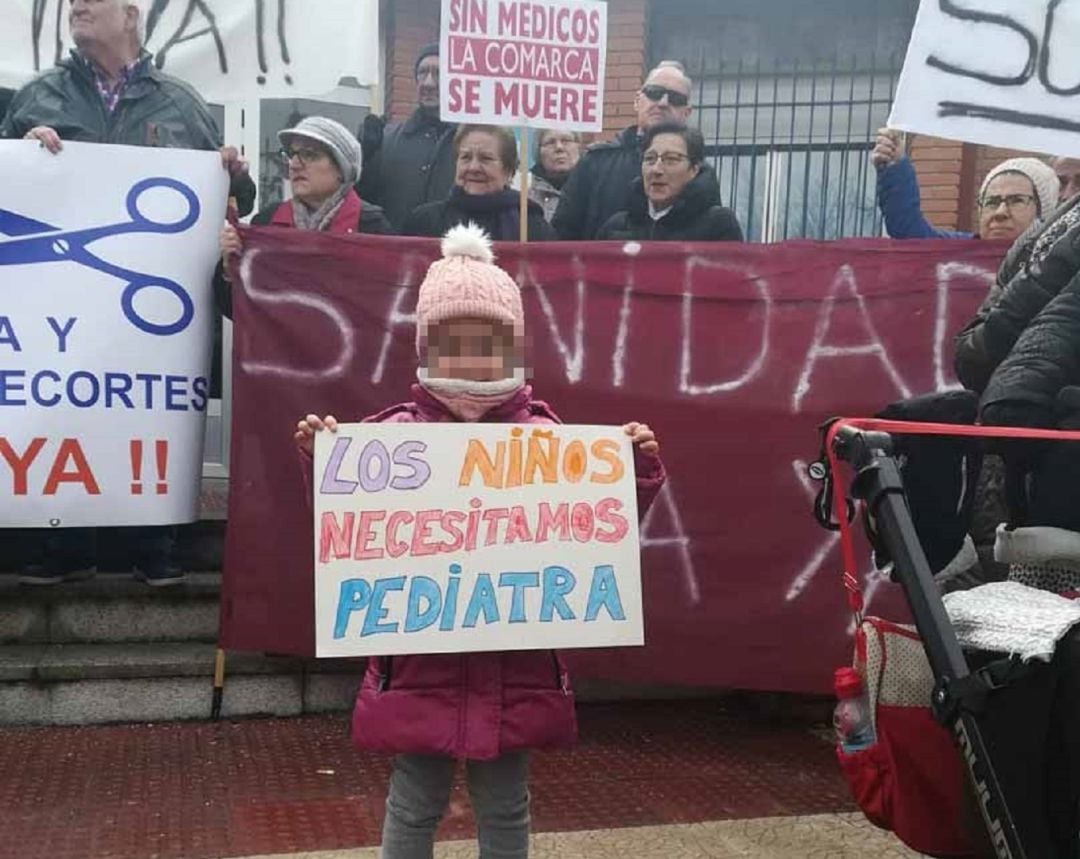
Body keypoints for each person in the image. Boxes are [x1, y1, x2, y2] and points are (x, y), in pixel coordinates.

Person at [294, 222, 666, 858]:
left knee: (505, 805)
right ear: (427, 347)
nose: (471, 357)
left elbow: (598, 527)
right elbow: (352, 528)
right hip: (418, 671)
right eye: (454, 341)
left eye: (486, 341)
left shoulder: (551, 440)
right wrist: (322, 461)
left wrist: (634, 470)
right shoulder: (390, 438)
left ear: (512, 348)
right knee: (413, 805)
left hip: (513, 670)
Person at [2, 0, 254, 587]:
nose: (76, 6)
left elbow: (230, 204)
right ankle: (60, 539)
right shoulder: (37, 97)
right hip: (57, 302)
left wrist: (231, 174)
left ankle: (154, 538)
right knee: (62, 396)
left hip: (150, 320)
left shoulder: (183, 104)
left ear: (132, 14)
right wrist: (22, 156)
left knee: (146, 402)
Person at [216, 117, 391, 317]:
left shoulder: (373, 227)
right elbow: (239, 311)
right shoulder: (266, 223)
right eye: (291, 154)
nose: (295, 164)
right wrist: (228, 268)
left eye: (310, 155)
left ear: (342, 170)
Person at [553, 60, 723, 240]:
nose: (663, 102)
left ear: (686, 112)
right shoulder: (595, 163)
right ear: (637, 101)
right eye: (654, 93)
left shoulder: (702, 175)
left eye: (675, 98)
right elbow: (562, 237)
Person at [871, 128, 1057, 241]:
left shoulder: (1060, 270)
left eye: (1016, 200)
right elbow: (909, 233)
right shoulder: (958, 252)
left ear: (1043, 212)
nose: (1000, 212)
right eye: (991, 202)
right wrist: (895, 167)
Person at [356, 43, 457, 231]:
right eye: (422, 73)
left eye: (438, 73)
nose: (428, 83)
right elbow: (360, 202)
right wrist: (363, 158)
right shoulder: (387, 140)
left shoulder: (469, 144)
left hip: (453, 257)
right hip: (395, 256)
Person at [403, 125, 555, 241]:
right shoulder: (424, 222)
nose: (473, 167)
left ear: (509, 171)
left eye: (486, 158)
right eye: (466, 157)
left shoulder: (532, 227)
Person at [596, 123, 743, 242]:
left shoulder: (718, 225)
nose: (656, 170)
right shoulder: (617, 226)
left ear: (693, 169)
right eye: (650, 159)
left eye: (671, 159)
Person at [528, 129, 582, 222]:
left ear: (578, 147)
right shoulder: (525, 190)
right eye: (551, 142)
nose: (559, 147)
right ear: (538, 151)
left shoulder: (594, 187)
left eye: (566, 140)